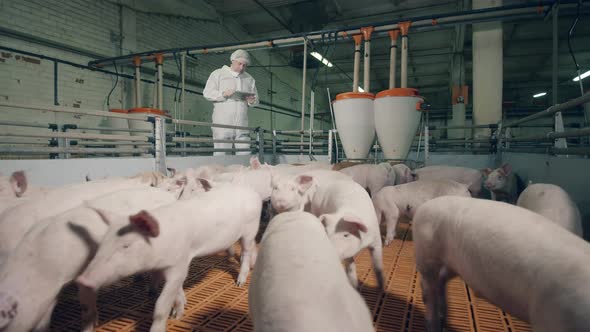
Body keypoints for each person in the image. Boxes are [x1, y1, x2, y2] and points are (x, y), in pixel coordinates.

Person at [203, 49, 259, 156]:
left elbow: (256, 100)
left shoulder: (249, 79)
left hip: (242, 124)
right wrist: (223, 94)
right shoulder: (218, 74)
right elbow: (207, 93)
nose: (242, 67)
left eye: (245, 65)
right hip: (223, 124)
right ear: (233, 61)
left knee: (245, 154)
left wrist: (252, 101)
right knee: (221, 155)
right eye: (239, 64)